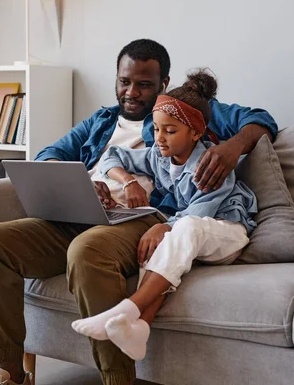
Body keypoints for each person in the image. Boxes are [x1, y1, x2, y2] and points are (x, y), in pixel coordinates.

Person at [0, 39, 278, 385]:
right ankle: (9, 374)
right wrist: (79, 183)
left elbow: (260, 120)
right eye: (124, 81)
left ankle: (118, 378)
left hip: (141, 218)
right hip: (83, 211)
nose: (131, 92)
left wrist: (230, 149)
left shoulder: (182, 108)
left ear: (163, 84)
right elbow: (50, 154)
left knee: (87, 251)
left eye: (144, 84)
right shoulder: (101, 121)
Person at [71, 70, 257, 362]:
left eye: (170, 131)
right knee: (158, 244)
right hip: (190, 233)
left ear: (195, 133)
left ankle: (127, 308)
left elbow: (198, 215)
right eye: (157, 129)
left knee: (182, 228)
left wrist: (164, 227)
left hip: (227, 233)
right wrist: (129, 181)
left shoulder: (210, 166)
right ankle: (140, 328)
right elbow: (111, 156)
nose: (159, 138)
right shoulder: (159, 156)